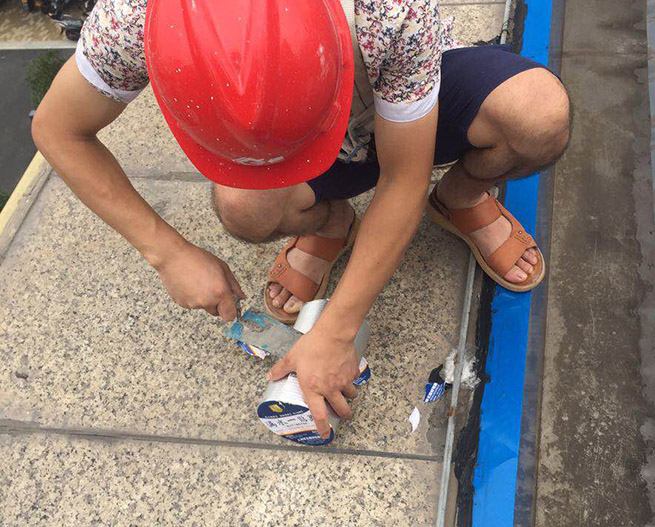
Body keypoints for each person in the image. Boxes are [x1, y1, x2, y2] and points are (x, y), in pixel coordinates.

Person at [32, 0, 570, 439]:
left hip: (407, 95)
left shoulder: (389, 13)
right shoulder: (136, 17)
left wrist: (337, 329)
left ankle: (459, 196)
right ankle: (329, 223)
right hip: (343, 112)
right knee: (244, 207)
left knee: (538, 117)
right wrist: (167, 252)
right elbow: (58, 129)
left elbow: (403, 178)